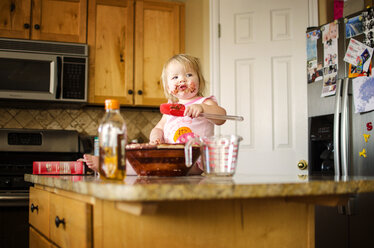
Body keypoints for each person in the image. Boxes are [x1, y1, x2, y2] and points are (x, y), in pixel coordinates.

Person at [149, 54, 226, 145]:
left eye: (189, 75)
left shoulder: (204, 102)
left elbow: (222, 117)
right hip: (173, 156)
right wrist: (155, 137)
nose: (182, 79)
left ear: (199, 82)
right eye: (175, 77)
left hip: (198, 156)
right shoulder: (171, 108)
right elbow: (159, 128)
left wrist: (203, 108)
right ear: (168, 88)